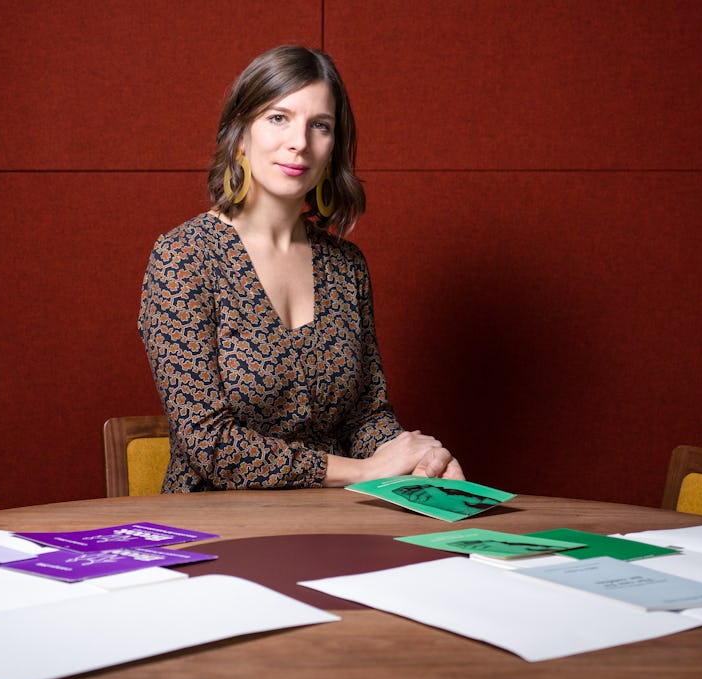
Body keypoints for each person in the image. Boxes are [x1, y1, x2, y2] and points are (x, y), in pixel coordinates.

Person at [138, 45, 462, 493]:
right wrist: (364, 472)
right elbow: (209, 444)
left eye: (320, 126)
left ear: (333, 146)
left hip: (338, 525)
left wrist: (419, 458)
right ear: (240, 133)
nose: (299, 142)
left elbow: (364, 415)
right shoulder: (183, 258)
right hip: (216, 530)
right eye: (278, 118)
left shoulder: (346, 266)